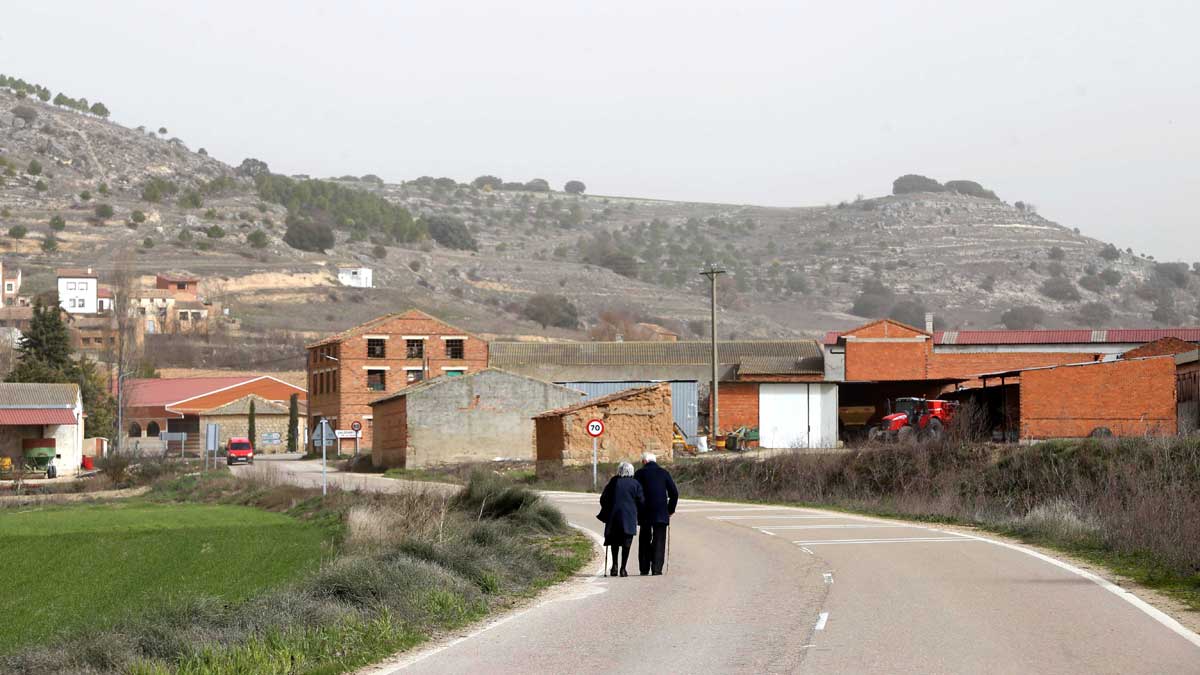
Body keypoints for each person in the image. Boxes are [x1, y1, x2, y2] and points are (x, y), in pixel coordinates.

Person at [634, 452, 679, 576]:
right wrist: (670, 510)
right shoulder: (664, 473)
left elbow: (634, 493)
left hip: (644, 512)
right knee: (659, 540)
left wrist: (636, 509)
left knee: (644, 539)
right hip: (661, 512)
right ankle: (657, 569)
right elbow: (674, 493)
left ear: (644, 462)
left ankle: (644, 568)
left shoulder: (639, 473)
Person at [597, 461, 644, 577]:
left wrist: (607, 509)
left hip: (614, 517)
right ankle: (623, 569)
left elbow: (603, 498)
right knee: (626, 543)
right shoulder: (635, 484)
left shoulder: (614, 481)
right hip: (629, 517)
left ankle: (614, 566)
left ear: (619, 471)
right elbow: (641, 501)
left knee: (614, 543)